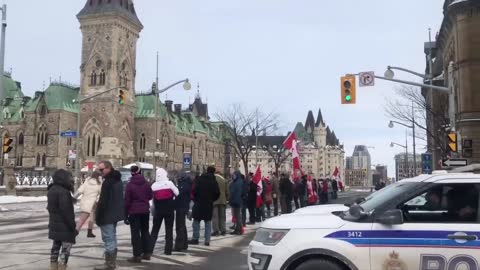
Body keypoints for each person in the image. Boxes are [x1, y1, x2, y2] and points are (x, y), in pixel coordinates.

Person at [95, 161, 124, 270]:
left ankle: (110, 264)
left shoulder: (108, 182)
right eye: (99, 170)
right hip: (114, 213)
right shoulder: (117, 180)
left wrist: (99, 215)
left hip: (107, 214)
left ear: (108, 168)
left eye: (102, 170)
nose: (100, 172)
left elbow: (103, 201)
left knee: (108, 238)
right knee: (112, 237)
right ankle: (111, 262)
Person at [47, 169, 76, 270]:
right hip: (64, 225)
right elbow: (66, 211)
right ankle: (62, 266)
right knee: (65, 248)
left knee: (56, 245)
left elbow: (52, 207)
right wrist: (72, 226)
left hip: (55, 223)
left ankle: (53, 265)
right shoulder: (64, 191)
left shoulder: (51, 189)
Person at [124, 165, 153, 263]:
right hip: (145, 210)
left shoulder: (130, 184)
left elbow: (127, 200)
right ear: (140, 172)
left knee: (135, 233)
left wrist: (125, 213)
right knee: (145, 231)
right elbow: (150, 196)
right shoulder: (146, 183)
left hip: (134, 211)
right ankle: (147, 252)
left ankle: (137, 255)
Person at [150, 168, 179, 255]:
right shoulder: (169, 183)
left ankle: (150, 249)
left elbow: (150, 198)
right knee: (169, 230)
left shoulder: (153, 186)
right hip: (169, 210)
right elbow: (177, 193)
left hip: (158, 211)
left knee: (155, 230)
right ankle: (168, 250)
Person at [189, 166, 220, 246]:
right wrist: (212, 199)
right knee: (208, 222)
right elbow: (217, 193)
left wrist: (196, 198)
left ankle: (195, 238)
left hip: (199, 203)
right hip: (208, 204)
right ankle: (207, 240)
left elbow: (194, 191)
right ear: (213, 172)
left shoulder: (200, 179)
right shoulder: (214, 181)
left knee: (196, 221)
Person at [73, 170, 102, 238]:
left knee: (83, 219)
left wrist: (74, 198)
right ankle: (78, 231)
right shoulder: (99, 183)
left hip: (84, 202)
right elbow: (101, 193)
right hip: (93, 203)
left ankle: (83, 231)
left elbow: (80, 191)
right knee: (91, 218)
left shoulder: (87, 181)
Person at [174, 170, 192, 252]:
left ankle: (179, 245)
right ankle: (184, 244)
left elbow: (179, 194)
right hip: (182, 206)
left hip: (182, 206)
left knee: (180, 226)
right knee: (182, 226)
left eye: (178, 176)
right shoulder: (185, 183)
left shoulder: (184, 184)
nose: (177, 177)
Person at [212, 171, 229, 236]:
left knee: (215, 217)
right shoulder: (224, 180)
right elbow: (227, 191)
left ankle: (216, 231)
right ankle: (223, 230)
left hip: (215, 200)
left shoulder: (213, 179)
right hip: (223, 200)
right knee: (222, 216)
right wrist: (227, 198)